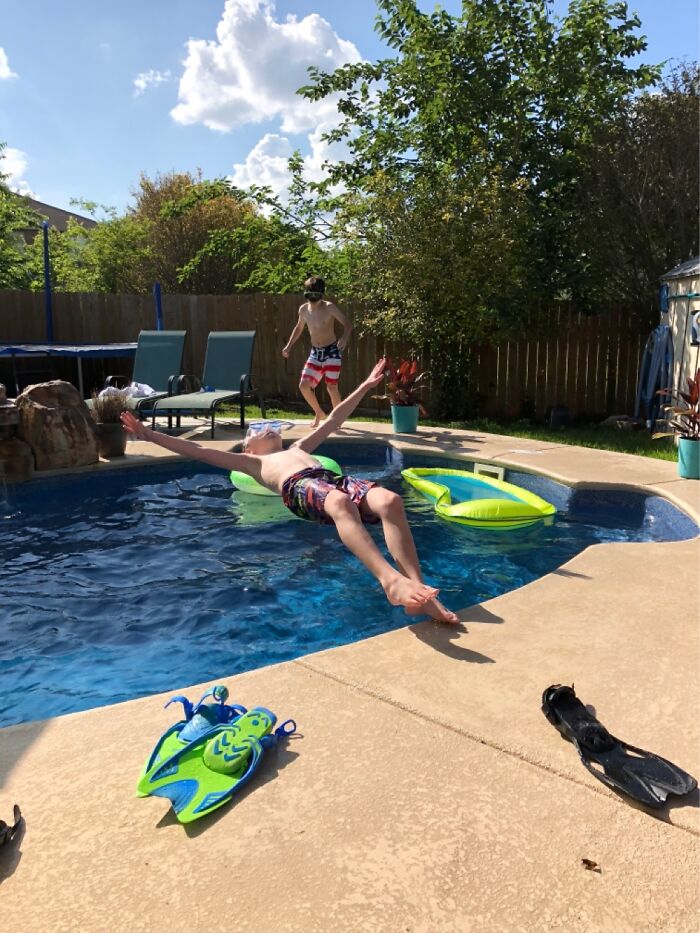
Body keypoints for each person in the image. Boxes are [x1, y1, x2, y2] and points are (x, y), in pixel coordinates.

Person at [120, 359, 457, 624]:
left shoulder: (300, 445)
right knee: (339, 502)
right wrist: (152, 436)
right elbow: (200, 452)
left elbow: (335, 418)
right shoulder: (251, 463)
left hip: (327, 478)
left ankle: (422, 594)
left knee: (390, 500)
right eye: (257, 429)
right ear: (249, 449)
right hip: (299, 489)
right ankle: (389, 581)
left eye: (268, 426)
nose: (266, 428)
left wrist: (366, 386)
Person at [282, 275, 353, 427]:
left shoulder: (329, 307)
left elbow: (347, 323)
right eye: (310, 295)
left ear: (321, 294)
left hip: (331, 351)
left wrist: (344, 338)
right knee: (304, 386)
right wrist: (288, 346)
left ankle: (337, 419)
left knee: (331, 386)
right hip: (315, 353)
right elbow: (299, 328)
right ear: (306, 294)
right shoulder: (303, 310)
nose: (313, 299)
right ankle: (319, 412)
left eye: (316, 295)